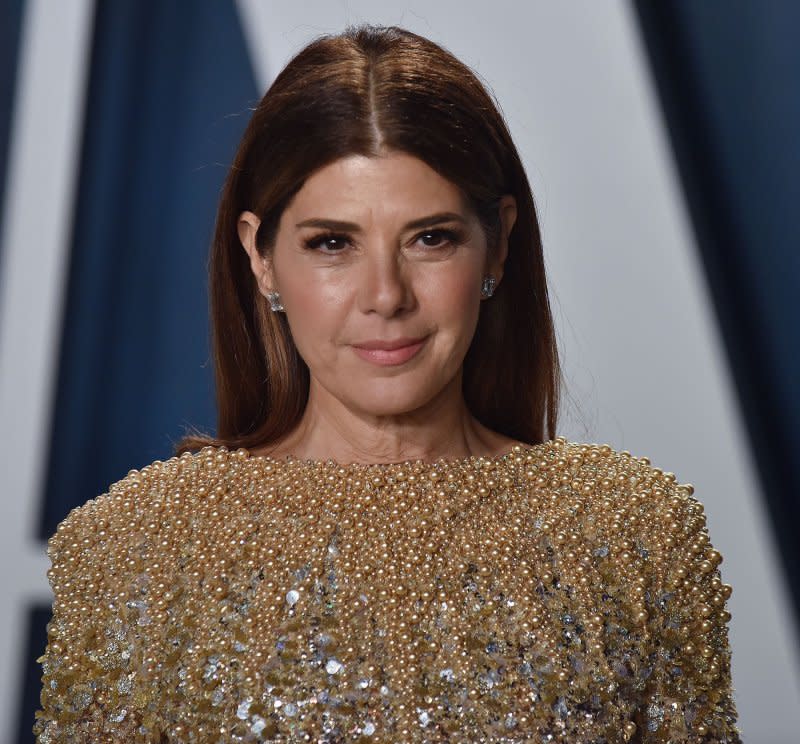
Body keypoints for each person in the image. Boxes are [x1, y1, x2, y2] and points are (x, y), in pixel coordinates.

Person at [33, 23, 741, 743]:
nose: (385, 296)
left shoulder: (633, 532)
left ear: (497, 240)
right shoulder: (137, 546)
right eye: (332, 244)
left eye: (430, 238)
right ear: (261, 256)